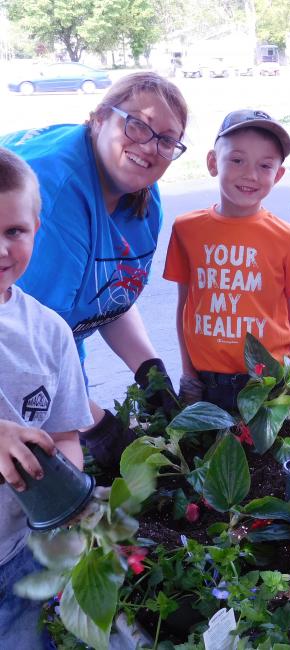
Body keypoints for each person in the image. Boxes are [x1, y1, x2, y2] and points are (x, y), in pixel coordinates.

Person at [0, 72, 189, 469]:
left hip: (53, 358)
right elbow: (27, 347)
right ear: (100, 117)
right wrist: (95, 424)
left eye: (167, 139)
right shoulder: (54, 194)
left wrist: (150, 372)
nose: (149, 147)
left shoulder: (141, 193)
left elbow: (110, 295)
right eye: (137, 125)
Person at [0, 147, 93, 648]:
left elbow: (64, 435)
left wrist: (67, 508)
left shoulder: (50, 332)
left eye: (14, 231)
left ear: (37, 224)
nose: (0, 249)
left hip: (17, 554)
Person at [164, 109, 290, 410]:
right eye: (237, 160)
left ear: (279, 174)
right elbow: (185, 307)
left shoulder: (286, 237)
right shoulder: (186, 229)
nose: (250, 174)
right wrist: (187, 373)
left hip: (268, 384)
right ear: (212, 163)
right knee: (206, 457)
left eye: (265, 165)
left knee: (269, 458)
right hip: (208, 385)